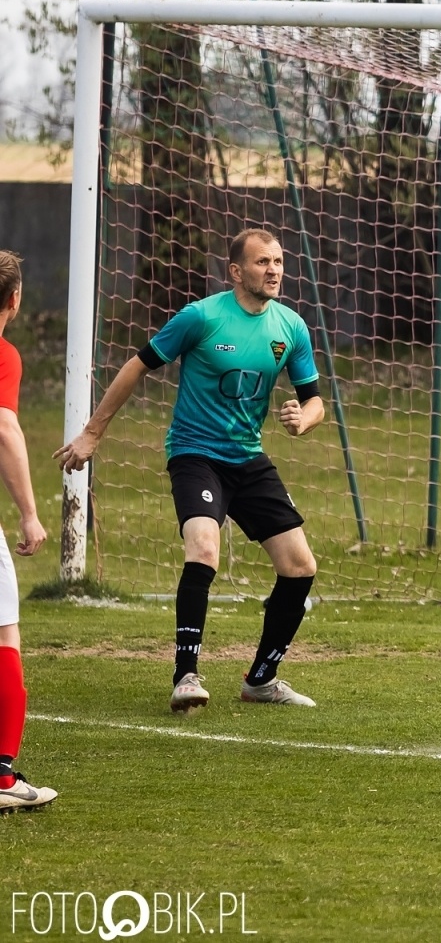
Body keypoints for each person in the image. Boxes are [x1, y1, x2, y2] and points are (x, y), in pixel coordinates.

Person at [57, 230, 325, 712]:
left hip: (248, 457)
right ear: (236, 271)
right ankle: (186, 675)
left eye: (280, 261)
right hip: (196, 454)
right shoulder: (200, 318)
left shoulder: (291, 326)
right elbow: (138, 365)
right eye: (262, 261)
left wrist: (302, 420)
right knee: (204, 546)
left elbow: (314, 401)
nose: (275, 270)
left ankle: (261, 680)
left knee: (300, 566)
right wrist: (93, 432)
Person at [0, 251, 55, 810]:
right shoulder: (4, 354)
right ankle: (2, 777)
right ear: (14, 300)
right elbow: (5, 426)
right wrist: (30, 513)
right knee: (4, 636)